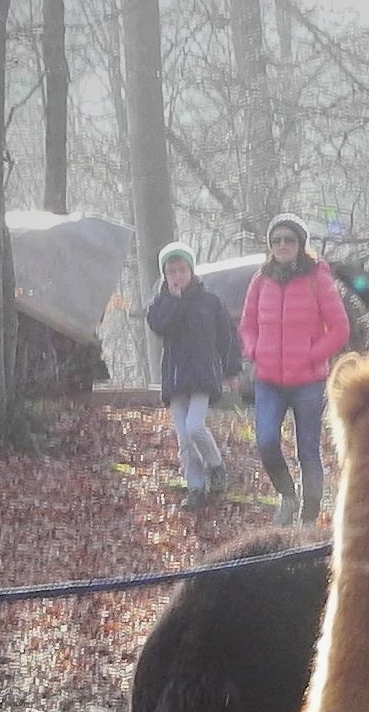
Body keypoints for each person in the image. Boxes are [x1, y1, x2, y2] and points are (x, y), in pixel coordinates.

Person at [238, 212, 353, 525]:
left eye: (289, 239)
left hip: (308, 382)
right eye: (276, 240)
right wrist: (254, 350)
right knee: (265, 441)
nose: (282, 245)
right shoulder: (260, 280)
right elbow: (247, 325)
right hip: (268, 380)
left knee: (308, 452)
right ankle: (288, 496)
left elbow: (340, 328)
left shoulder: (318, 277)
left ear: (300, 244)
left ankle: (308, 519)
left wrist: (312, 355)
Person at [146, 242, 239, 510]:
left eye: (182, 269)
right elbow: (159, 325)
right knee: (183, 438)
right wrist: (173, 301)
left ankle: (216, 465)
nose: (177, 276)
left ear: (191, 270)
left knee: (195, 427)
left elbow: (227, 336)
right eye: (171, 271)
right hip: (175, 379)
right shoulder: (160, 303)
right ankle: (195, 487)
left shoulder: (210, 300)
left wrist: (231, 369)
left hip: (202, 376)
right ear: (164, 274)